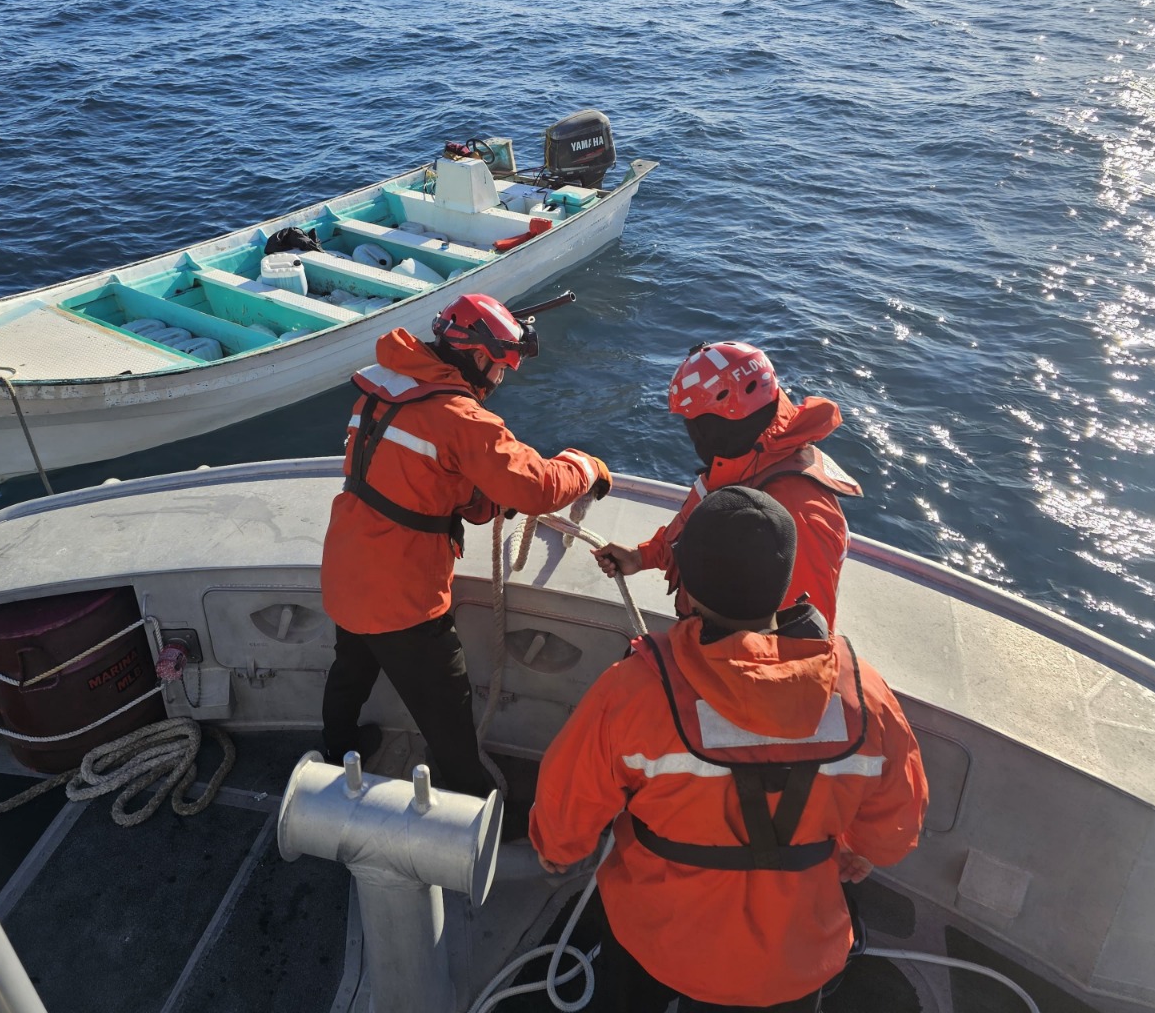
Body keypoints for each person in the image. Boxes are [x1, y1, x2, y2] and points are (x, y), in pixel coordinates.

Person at [531, 485, 927, 1012]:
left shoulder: (632, 692)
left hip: (656, 935)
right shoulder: (866, 696)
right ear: (786, 584)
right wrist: (860, 850)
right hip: (794, 958)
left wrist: (557, 851)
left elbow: (565, 807)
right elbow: (895, 829)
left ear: (687, 586)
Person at [320, 292, 611, 797]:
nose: (496, 384)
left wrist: (479, 500)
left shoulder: (383, 387)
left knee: (350, 669)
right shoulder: (462, 417)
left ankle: (336, 748)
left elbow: (411, 477)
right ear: (478, 357)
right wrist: (585, 468)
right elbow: (536, 487)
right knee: (446, 701)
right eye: (498, 370)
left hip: (347, 563)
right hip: (402, 591)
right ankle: (473, 798)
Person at [593, 341, 862, 628]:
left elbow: (800, 645)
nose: (691, 433)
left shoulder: (799, 515)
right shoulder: (741, 461)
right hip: (707, 640)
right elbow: (699, 538)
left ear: (720, 421)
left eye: (694, 422)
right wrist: (641, 556)